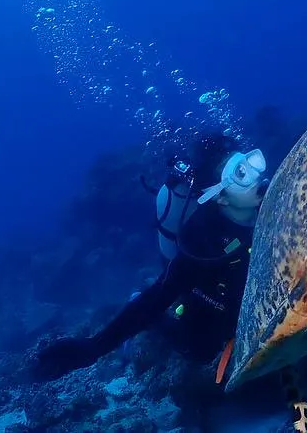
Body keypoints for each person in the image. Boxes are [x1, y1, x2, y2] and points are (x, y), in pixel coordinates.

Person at [32, 142, 269, 382]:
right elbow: (158, 295)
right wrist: (95, 347)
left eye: (253, 164)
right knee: (201, 351)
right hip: (216, 306)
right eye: (242, 174)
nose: (257, 177)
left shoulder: (274, 202)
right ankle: (158, 323)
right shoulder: (201, 241)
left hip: (258, 298)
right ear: (221, 198)